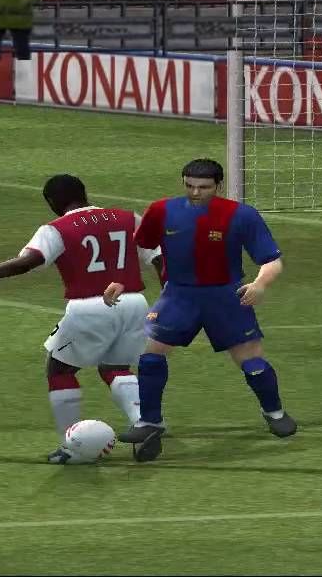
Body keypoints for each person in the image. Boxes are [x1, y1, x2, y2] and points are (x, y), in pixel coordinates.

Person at [0, 175, 162, 463]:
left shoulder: (56, 229)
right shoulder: (129, 218)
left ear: (51, 201)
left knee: (59, 369)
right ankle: (144, 422)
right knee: (115, 366)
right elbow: (159, 258)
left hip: (90, 306)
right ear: (84, 193)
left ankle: (72, 446)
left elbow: (27, 262)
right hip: (134, 303)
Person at [108, 158, 295, 463]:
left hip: (226, 297)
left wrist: (260, 284)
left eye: (204, 187)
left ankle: (274, 412)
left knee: (253, 364)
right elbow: (139, 248)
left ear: (218, 185)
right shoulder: (162, 210)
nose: (195, 192)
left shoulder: (241, 215)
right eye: (190, 186)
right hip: (178, 295)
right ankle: (151, 422)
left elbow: (272, 260)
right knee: (150, 358)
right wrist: (122, 280)